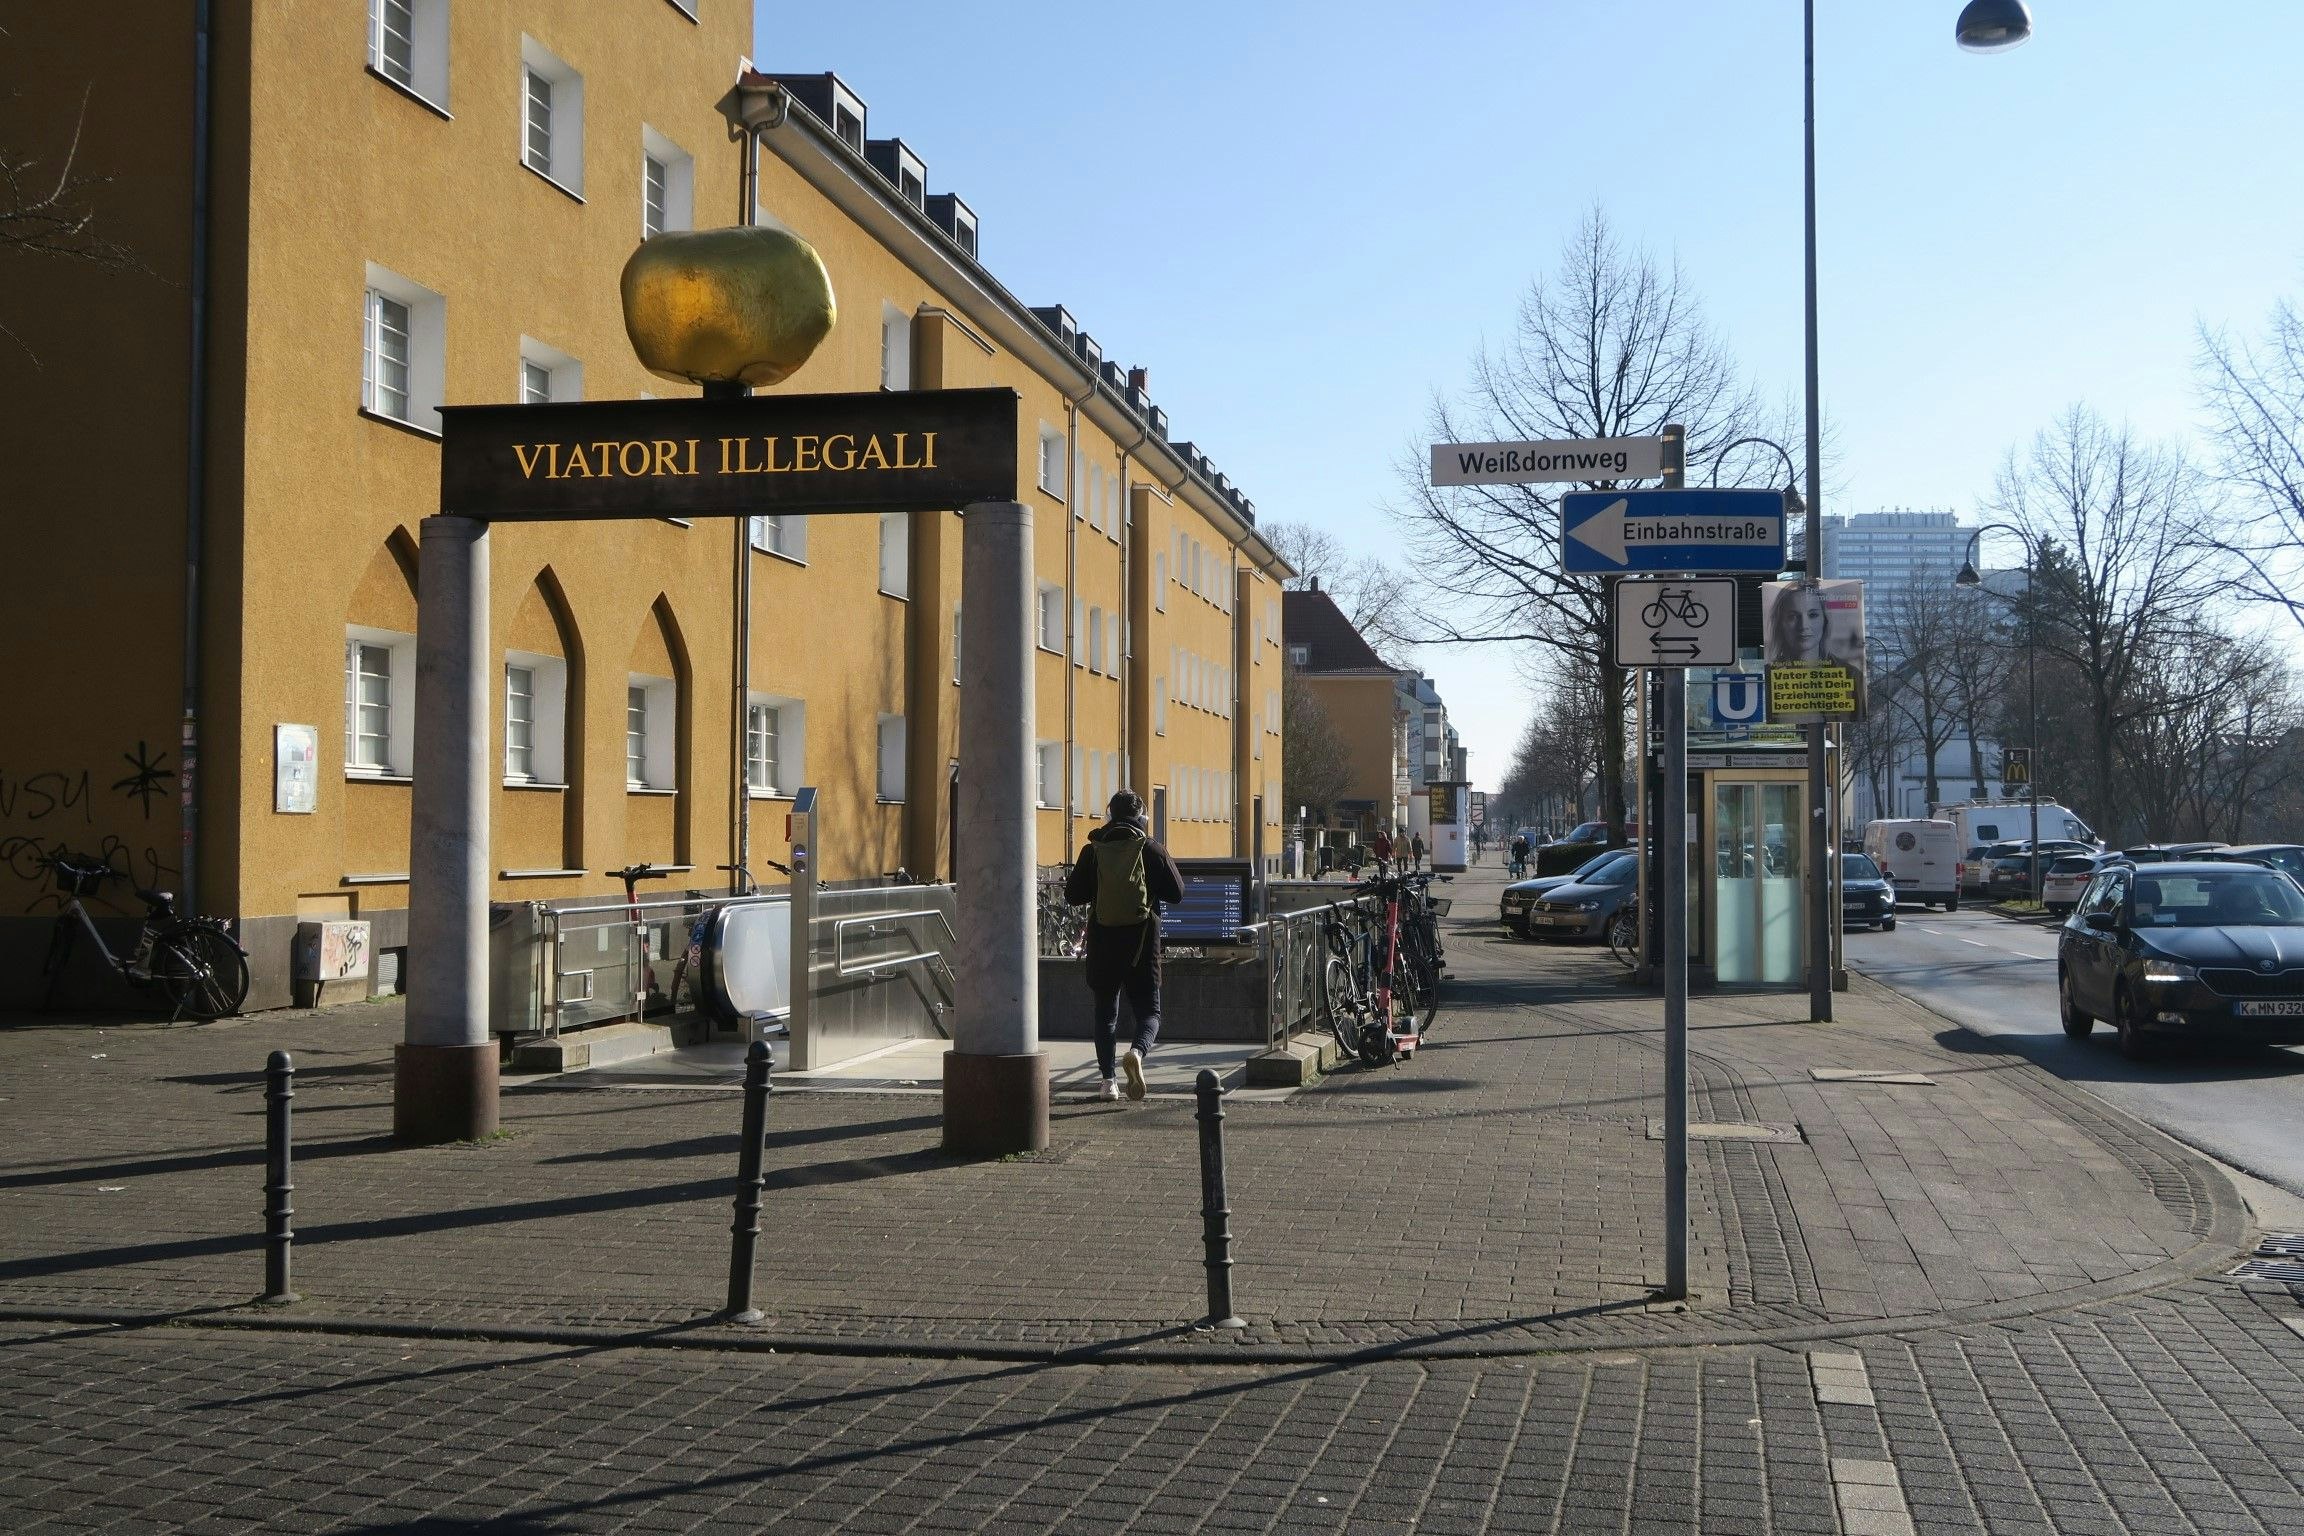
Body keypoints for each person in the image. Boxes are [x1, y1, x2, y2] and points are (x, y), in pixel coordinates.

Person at [1063, 790, 1185, 1102]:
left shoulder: (1093, 850)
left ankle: (1108, 1083)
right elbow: (1177, 892)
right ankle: (1137, 1053)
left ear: (1108, 815)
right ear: (1142, 816)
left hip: (1103, 943)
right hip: (1142, 944)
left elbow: (1073, 895)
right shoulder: (1151, 848)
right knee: (1149, 1013)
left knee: (1105, 1015)